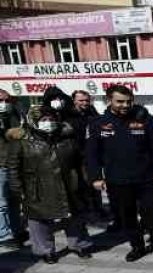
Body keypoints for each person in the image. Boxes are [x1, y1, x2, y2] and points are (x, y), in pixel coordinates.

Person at [86, 85, 153, 262]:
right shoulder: (98, 123)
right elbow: (91, 154)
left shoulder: (144, 119)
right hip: (117, 179)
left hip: (146, 178)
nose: (125, 105)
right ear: (109, 100)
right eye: (120, 101)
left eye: (128, 101)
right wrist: (95, 177)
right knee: (127, 216)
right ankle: (137, 246)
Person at [6, 105, 92, 263]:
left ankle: (78, 244)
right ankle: (45, 250)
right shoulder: (22, 140)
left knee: (74, 215)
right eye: (44, 120)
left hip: (68, 182)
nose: (48, 122)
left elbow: (80, 162)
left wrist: (84, 181)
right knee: (39, 219)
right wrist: (17, 188)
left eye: (51, 119)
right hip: (36, 186)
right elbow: (13, 167)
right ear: (33, 121)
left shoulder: (67, 137)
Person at [70, 90, 106, 222]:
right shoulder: (69, 115)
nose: (84, 103)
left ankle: (98, 208)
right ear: (74, 100)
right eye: (81, 100)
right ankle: (88, 210)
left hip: (91, 154)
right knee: (83, 185)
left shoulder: (91, 111)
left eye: (86, 100)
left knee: (94, 182)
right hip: (77, 155)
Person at [0, 90, 23, 247]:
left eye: (7, 100)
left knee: (14, 200)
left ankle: (16, 230)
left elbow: (18, 134)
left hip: (13, 161)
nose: (4, 103)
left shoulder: (14, 113)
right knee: (1, 202)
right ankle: (4, 235)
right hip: (1, 163)